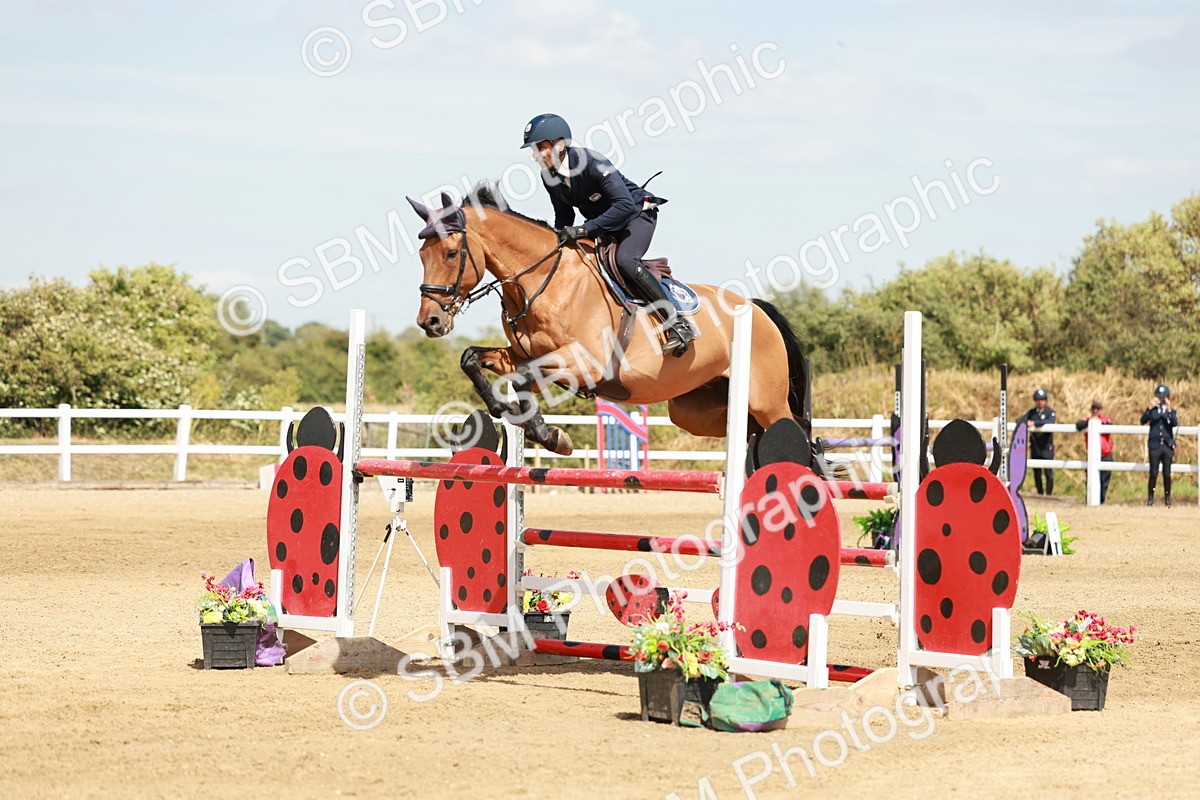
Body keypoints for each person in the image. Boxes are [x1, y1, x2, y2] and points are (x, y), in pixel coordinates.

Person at [520, 113, 696, 356]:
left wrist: (584, 230)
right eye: (533, 149)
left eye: (540, 148)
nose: (535, 155)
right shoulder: (548, 175)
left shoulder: (592, 163)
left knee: (625, 260)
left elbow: (623, 205)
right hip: (604, 224)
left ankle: (677, 322)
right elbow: (564, 216)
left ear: (560, 144)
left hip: (636, 215)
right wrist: (554, 241)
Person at [1140, 384, 1179, 507]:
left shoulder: (1171, 412)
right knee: (1153, 473)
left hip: (1167, 445)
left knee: (1167, 473)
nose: (1161, 400)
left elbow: (1174, 423)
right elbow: (1142, 421)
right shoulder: (1152, 411)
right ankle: (1150, 498)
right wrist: (1150, 407)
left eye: (1164, 397)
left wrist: (1168, 409)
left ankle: (1167, 498)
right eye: (1159, 397)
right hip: (1155, 445)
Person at [1074, 401, 1114, 504]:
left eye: (1098, 409)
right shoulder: (1087, 420)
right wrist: (1090, 422)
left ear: (1101, 410)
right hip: (1092, 455)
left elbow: (1110, 426)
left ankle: (1101, 500)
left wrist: (1098, 422)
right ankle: (1090, 500)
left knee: (1105, 479)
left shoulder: (1106, 420)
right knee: (1090, 478)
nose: (1095, 411)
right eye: (1094, 409)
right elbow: (1078, 425)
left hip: (1106, 454)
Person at [1026, 388, 1057, 495]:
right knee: (1036, 472)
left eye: (1043, 399)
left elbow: (1049, 422)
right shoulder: (1031, 412)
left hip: (1046, 446)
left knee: (1048, 472)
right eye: (1038, 399)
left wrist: (1034, 423)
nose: (1040, 402)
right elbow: (1021, 420)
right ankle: (1040, 493)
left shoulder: (1050, 412)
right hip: (1035, 446)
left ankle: (1049, 494)